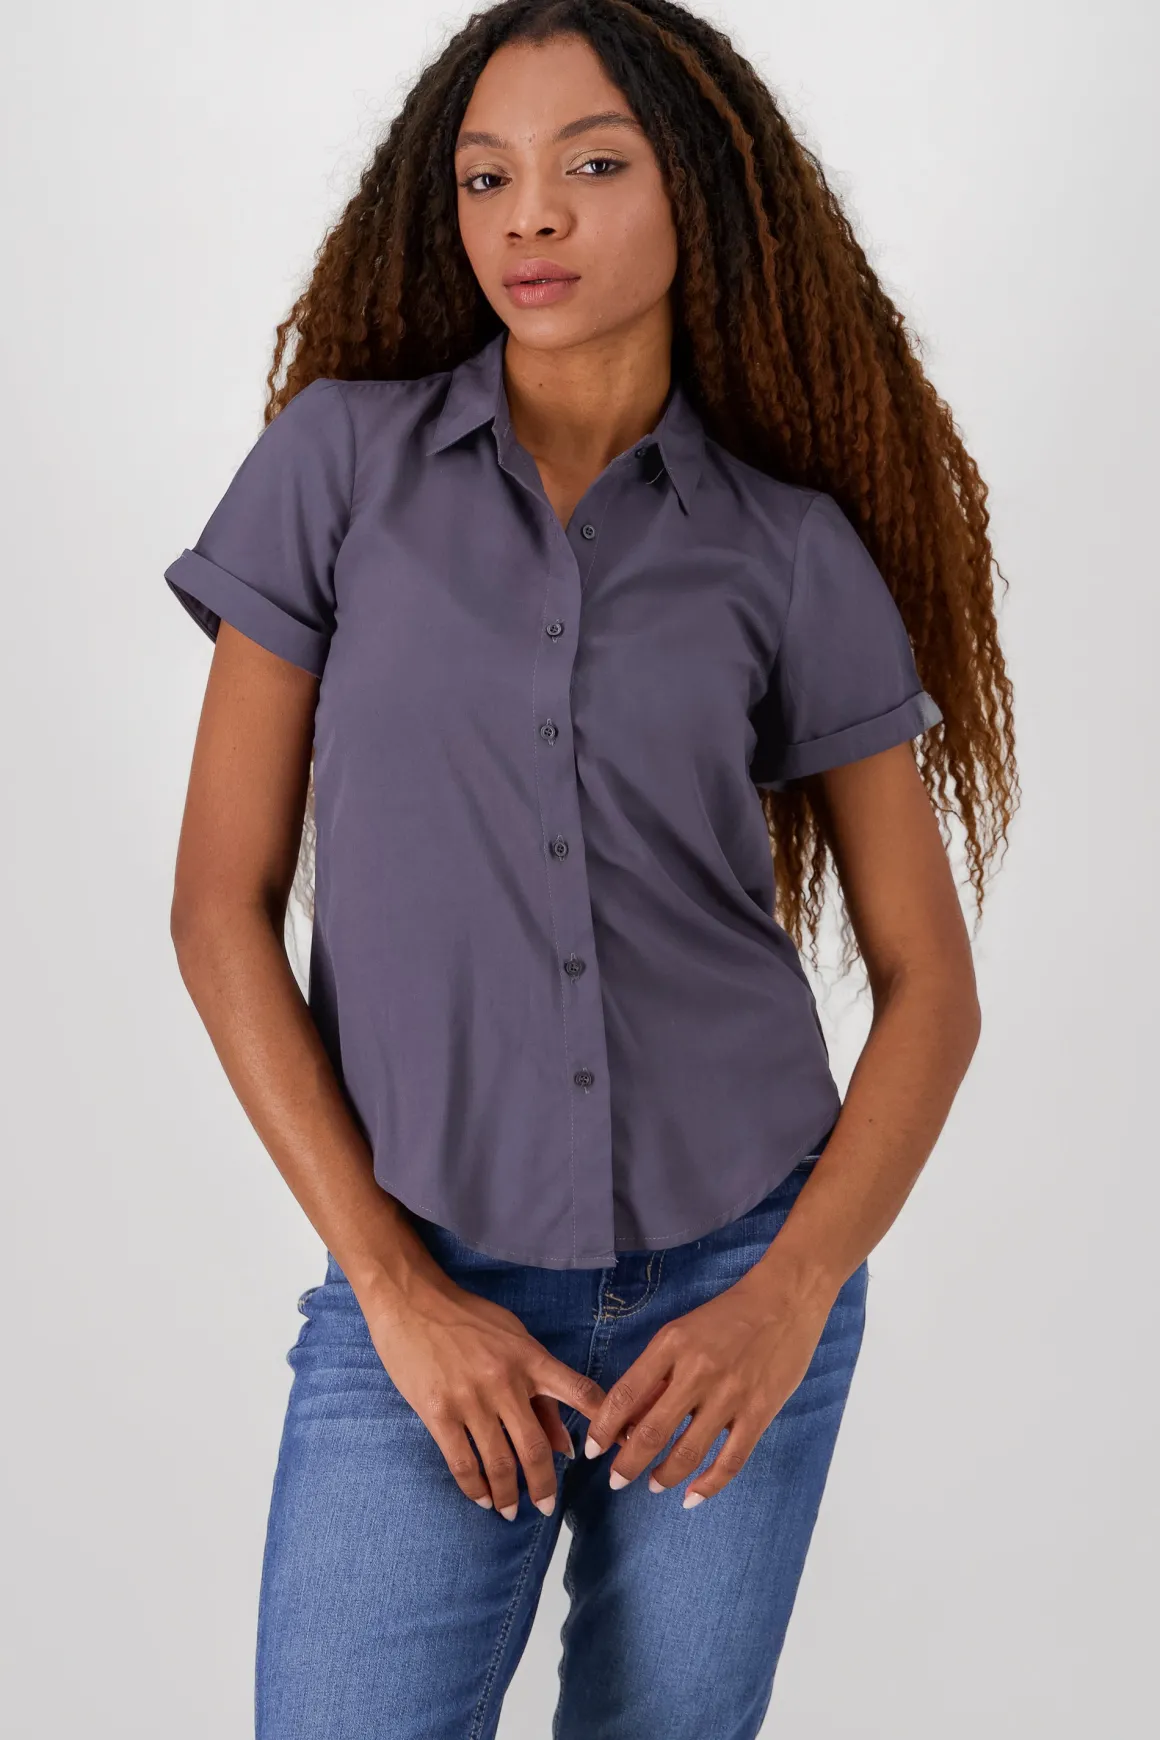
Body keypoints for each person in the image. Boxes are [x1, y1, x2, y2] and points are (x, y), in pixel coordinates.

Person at [165, 2, 1015, 1735]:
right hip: (422, 1282)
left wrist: (788, 1301)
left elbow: (931, 986)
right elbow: (215, 909)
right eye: (487, 177)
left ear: (702, 193)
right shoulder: (338, 468)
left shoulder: (786, 549)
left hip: (733, 1286)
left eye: (593, 166)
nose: (531, 214)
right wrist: (394, 1290)